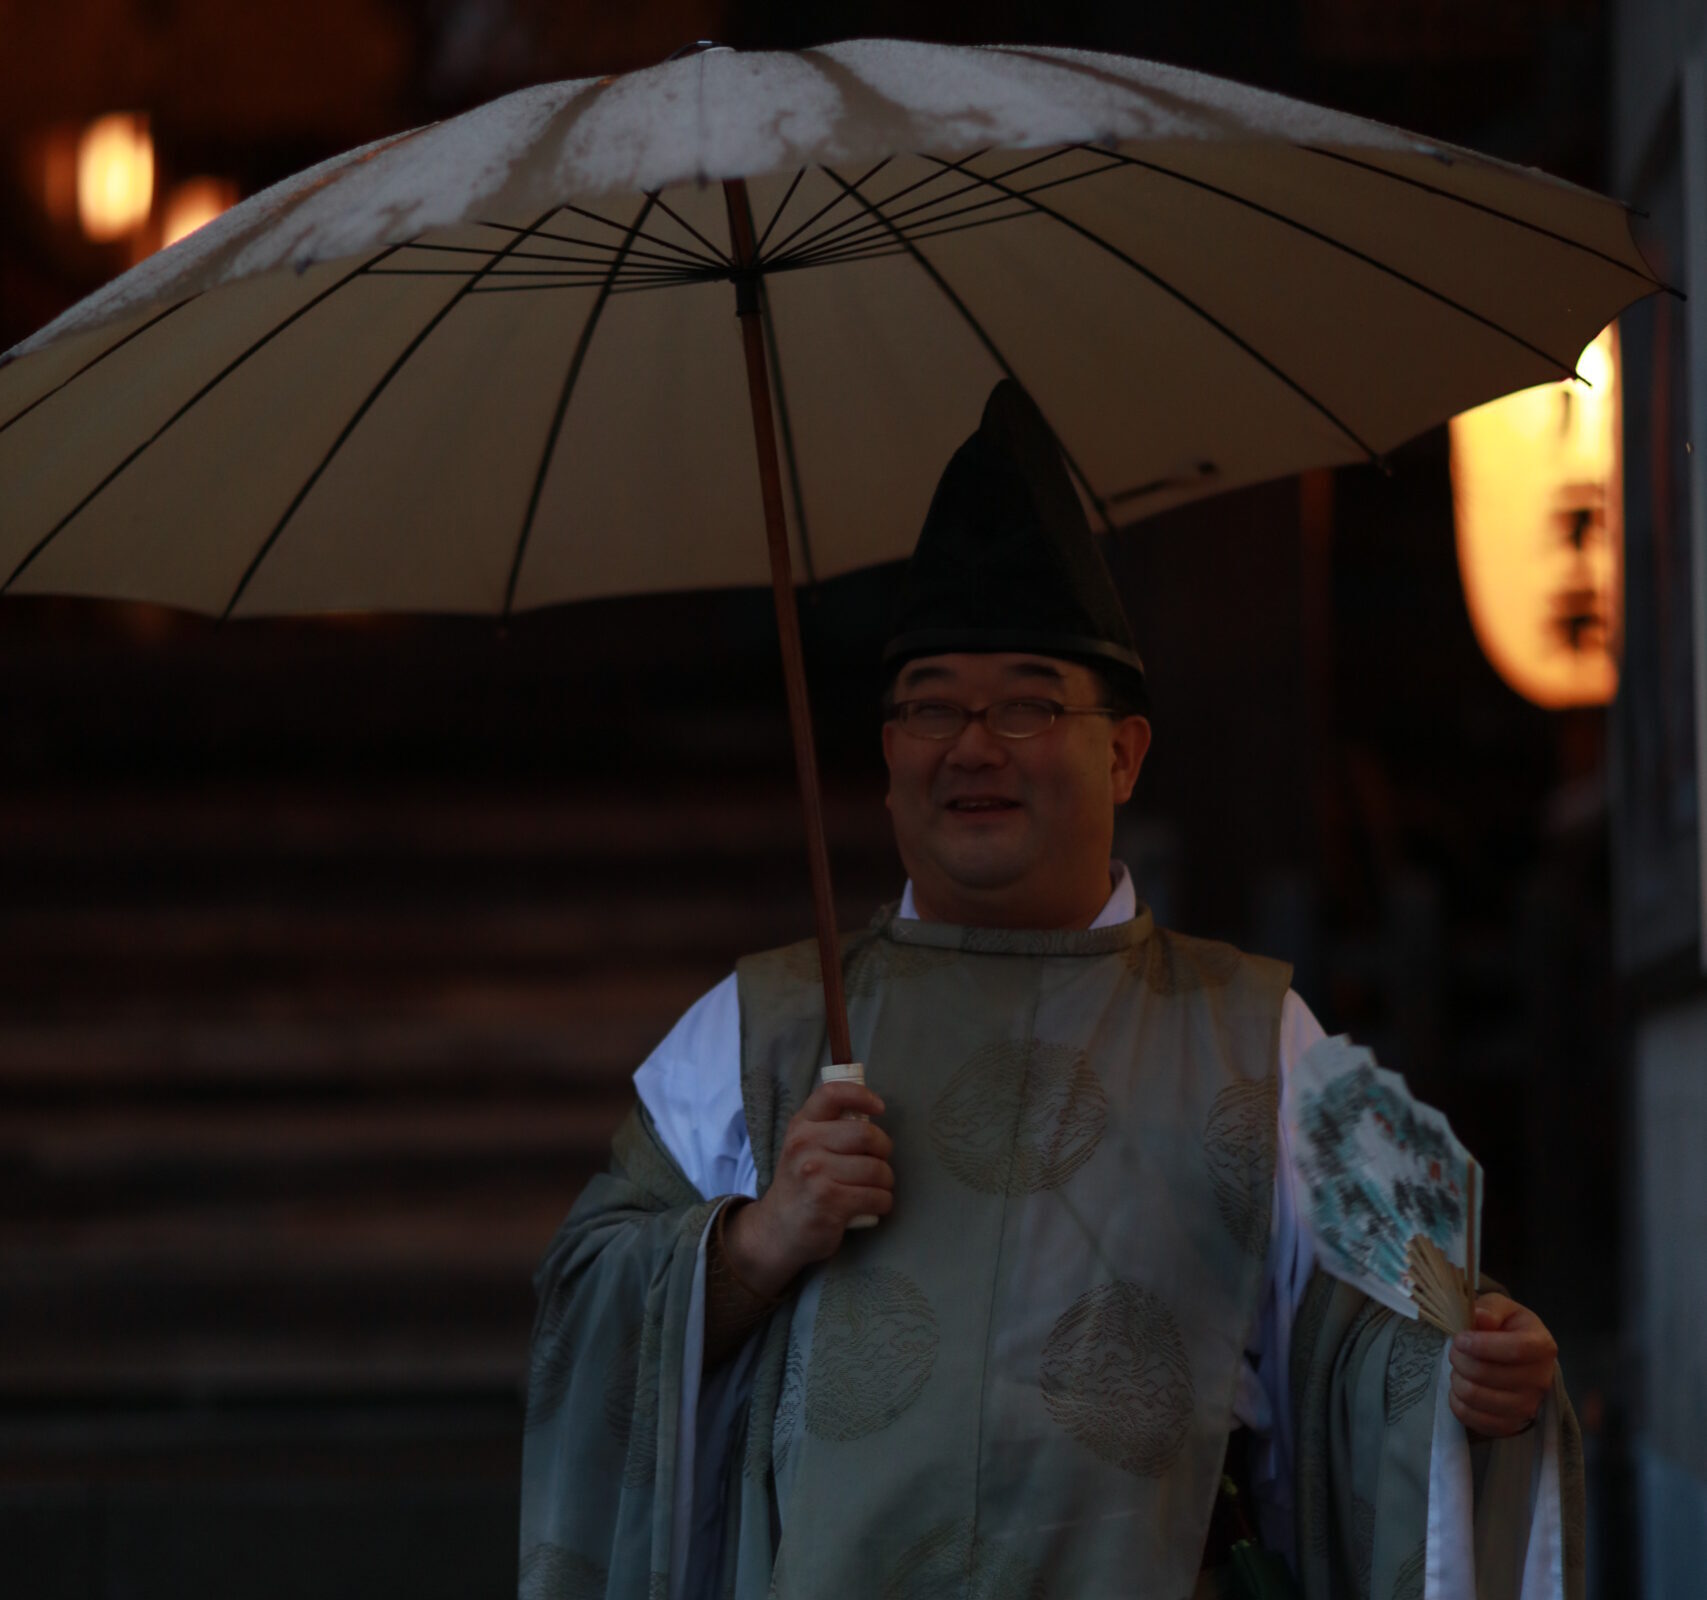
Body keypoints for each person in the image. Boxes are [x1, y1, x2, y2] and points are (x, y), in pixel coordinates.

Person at [519, 382, 1580, 1600]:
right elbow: (581, 1313)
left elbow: (1389, 1329)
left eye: (1027, 703)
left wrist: (1465, 1379)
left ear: (1123, 751)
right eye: (931, 707)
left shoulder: (1260, 1039)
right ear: (885, 757)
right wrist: (755, 1244)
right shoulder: (757, 1034)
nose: (972, 747)